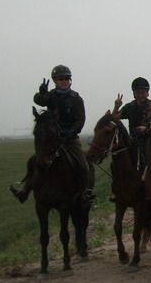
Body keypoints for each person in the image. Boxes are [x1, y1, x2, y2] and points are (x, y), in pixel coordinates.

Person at [11, 64, 94, 204]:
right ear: (55, 81)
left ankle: (84, 192)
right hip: (52, 138)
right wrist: (41, 93)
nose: (64, 81)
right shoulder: (50, 96)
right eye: (60, 79)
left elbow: (80, 119)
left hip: (69, 139)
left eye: (66, 78)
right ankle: (25, 191)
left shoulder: (76, 99)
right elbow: (39, 100)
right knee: (35, 161)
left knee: (82, 163)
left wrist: (72, 131)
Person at [112, 76, 151, 172]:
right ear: (134, 94)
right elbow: (114, 119)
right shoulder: (129, 107)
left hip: (150, 141)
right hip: (133, 141)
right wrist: (116, 107)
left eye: (143, 92)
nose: (140, 95)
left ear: (147, 93)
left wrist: (146, 130)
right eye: (137, 93)